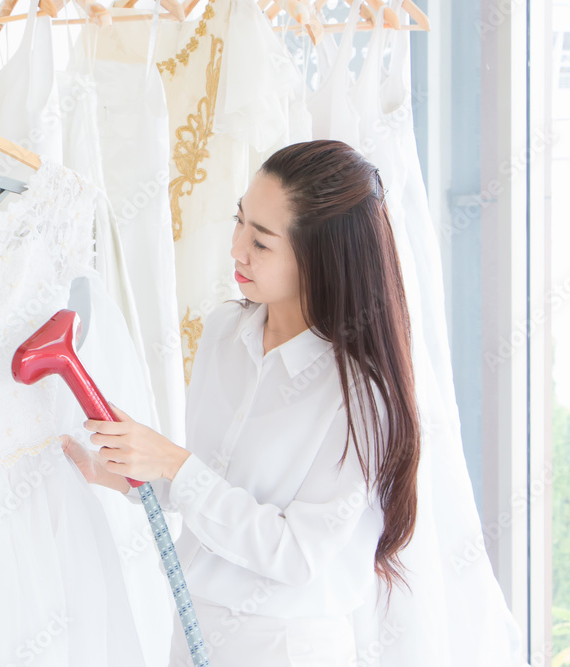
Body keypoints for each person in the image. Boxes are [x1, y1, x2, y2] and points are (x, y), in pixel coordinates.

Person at [61, 139, 421, 666]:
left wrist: (173, 463)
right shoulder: (226, 332)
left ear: (320, 259)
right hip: (191, 629)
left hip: (284, 647)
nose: (236, 249)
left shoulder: (359, 398)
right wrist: (128, 472)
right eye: (239, 221)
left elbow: (296, 554)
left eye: (262, 241)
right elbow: (214, 486)